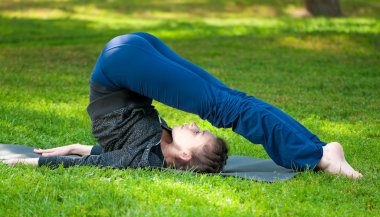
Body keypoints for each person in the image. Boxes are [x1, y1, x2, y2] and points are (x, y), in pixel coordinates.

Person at [2, 32, 362, 179]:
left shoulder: (143, 157)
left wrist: (30, 159)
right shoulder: (154, 149)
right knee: (232, 102)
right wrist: (81, 146)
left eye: (199, 135)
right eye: (200, 130)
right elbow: (107, 150)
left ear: (186, 156)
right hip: (132, 53)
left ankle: (318, 154)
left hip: (121, 64)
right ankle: (319, 151)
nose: (194, 126)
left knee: (228, 106)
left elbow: (100, 159)